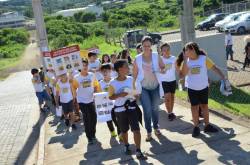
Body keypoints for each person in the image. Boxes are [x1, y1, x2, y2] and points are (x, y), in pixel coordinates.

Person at [180, 42, 226, 137]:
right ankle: (196, 127)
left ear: (194, 50)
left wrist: (223, 77)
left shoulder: (203, 59)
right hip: (192, 88)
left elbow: (214, 68)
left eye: (188, 49)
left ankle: (207, 126)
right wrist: (184, 60)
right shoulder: (186, 61)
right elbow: (182, 74)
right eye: (186, 50)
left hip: (203, 87)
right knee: (194, 107)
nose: (186, 51)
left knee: (205, 106)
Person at [109, 60, 147, 160]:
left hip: (132, 108)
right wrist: (120, 95)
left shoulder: (131, 79)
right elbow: (110, 97)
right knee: (124, 131)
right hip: (120, 110)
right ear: (120, 69)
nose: (128, 68)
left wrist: (136, 95)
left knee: (136, 130)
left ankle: (138, 150)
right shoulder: (112, 83)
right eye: (126, 66)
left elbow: (136, 92)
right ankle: (126, 146)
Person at [133, 36, 165, 142]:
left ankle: (156, 127)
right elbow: (134, 75)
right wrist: (134, 91)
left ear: (151, 45)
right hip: (144, 88)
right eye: (144, 45)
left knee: (155, 108)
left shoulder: (156, 56)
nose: (146, 47)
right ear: (141, 46)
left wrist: (162, 70)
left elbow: (163, 66)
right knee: (147, 110)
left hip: (155, 86)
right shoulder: (137, 59)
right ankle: (149, 132)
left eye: (148, 45)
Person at [72, 60, 100, 144]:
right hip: (82, 101)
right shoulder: (77, 77)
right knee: (87, 118)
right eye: (83, 65)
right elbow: (73, 87)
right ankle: (89, 137)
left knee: (94, 118)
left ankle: (93, 134)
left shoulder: (92, 75)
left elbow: (95, 85)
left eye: (86, 65)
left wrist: (96, 93)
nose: (84, 67)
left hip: (91, 100)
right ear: (80, 67)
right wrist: (74, 99)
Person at [99, 64, 121, 139]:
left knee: (117, 120)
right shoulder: (100, 83)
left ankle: (120, 134)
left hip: (116, 104)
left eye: (106, 71)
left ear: (110, 71)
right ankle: (112, 132)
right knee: (108, 120)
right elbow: (98, 95)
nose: (105, 73)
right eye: (103, 72)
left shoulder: (115, 81)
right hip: (106, 106)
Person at [159, 43, 177, 121]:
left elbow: (177, 68)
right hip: (164, 80)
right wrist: (162, 70)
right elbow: (159, 69)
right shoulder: (160, 59)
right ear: (162, 51)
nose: (166, 51)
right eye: (164, 50)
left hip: (172, 80)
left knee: (172, 97)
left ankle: (171, 111)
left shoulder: (173, 58)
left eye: (168, 50)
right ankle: (169, 113)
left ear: (170, 50)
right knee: (167, 97)